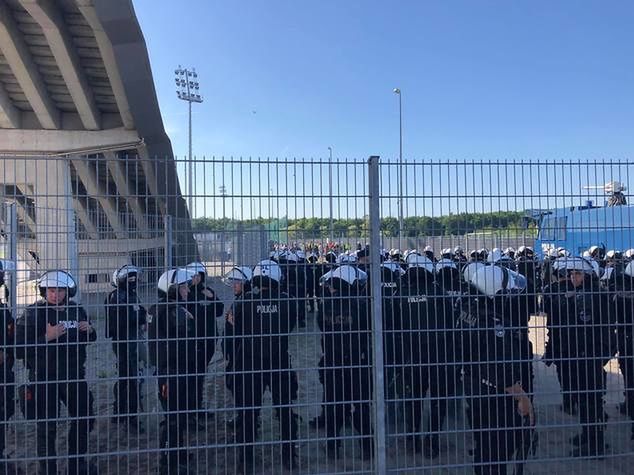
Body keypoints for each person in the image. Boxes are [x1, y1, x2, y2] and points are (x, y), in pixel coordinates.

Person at [15, 270, 97, 475]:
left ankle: (77, 465)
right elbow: (17, 349)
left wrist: (90, 330)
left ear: (67, 291)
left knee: (84, 418)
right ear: (44, 291)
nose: (55, 294)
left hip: (74, 375)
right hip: (44, 378)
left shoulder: (76, 310)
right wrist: (46, 338)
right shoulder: (33, 313)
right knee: (47, 427)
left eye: (60, 290)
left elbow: (89, 339)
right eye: (51, 290)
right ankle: (47, 469)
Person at [456, 265, 535, 474]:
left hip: (475, 387)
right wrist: (523, 398)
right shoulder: (494, 324)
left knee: (485, 447)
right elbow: (502, 371)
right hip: (495, 398)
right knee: (498, 450)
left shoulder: (467, 310)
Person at [231, 260, 298, 473]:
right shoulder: (288, 301)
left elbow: (236, 328)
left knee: (249, 413)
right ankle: (289, 457)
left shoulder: (245, 301)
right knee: (285, 411)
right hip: (279, 361)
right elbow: (290, 326)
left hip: (252, 362)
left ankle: (246, 459)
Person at [544, 257, 614, 457]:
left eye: (577, 274)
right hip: (582, 356)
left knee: (590, 400)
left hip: (588, 356)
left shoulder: (592, 296)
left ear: (588, 275)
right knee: (584, 399)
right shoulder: (582, 294)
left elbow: (591, 330)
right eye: (572, 274)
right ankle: (588, 434)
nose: (573, 277)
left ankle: (596, 443)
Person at [318, 265, 373, 460]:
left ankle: (333, 447)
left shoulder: (326, 304)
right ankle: (368, 447)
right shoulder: (363, 303)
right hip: (358, 360)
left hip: (333, 360)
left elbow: (321, 327)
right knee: (361, 406)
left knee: (335, 405)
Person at [399, 253, 451, 458]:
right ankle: (432, 441)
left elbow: (393, 324)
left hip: (411, 355)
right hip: (438, 354)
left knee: (413, 398)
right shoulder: (438, 291)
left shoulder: (401, 293)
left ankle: (412, 439)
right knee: (438, 399)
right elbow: (450, 321)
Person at [148, 268, 197, 474]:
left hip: (167, 368)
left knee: (176, 414)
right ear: (172, 289)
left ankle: (178, 452)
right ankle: (168, 461)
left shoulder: (157, 308)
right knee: (174, 417)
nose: (187, 290)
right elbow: (187, 337)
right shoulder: (173, 311)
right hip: (174, 370)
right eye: (183, 287)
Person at [105, 264, 146, 432]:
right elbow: (126, 319)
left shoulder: (129, 295)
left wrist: (141, 317)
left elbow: (140, 313)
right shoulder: (118, 297)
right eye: (132, 279)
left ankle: (120, 412)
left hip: (132, 341)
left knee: (126, 377)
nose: (135, 281)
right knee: (130, 379)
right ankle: (130, 418)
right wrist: (141, 318)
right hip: (125, 343)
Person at [185, 262, 224, 429]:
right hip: (193, 341)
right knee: (192, 376)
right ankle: (190, 411)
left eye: (198, 275)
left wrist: (212, 298)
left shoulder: (207, 292)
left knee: (200, 374)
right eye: (193, 276)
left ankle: (197, 407)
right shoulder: (185, 294)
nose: (196, 279)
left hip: (208, 340)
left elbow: (219, 311)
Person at [221, 266, 252, 428]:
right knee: (234, 384)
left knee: (238, 385)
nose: (234, 286)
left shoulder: (245, 302)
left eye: (237, 283)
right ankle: (244, 416)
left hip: (240, 352)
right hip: (235, 351)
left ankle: (244, 419)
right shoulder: (240, 300)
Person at [0, 261, 15, 473]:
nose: (3, 276)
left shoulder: (2, 307)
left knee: (5, 410)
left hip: (5, 371)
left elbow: (12, 333)